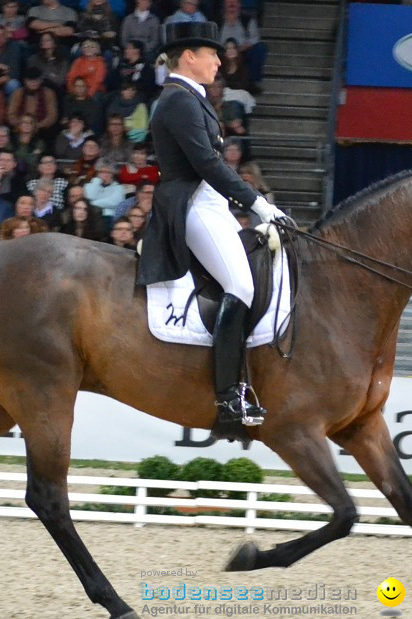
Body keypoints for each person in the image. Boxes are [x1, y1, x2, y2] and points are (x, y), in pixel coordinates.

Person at [136, 22, 286, 427]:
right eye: (212, 55)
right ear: (190, 57)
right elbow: (206, 163)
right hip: (193, 204)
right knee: (240, 285)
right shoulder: (179, 100)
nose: (219, 62)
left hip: (211, 202)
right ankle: (227, 398)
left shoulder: (189, 97)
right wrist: (258, 204)